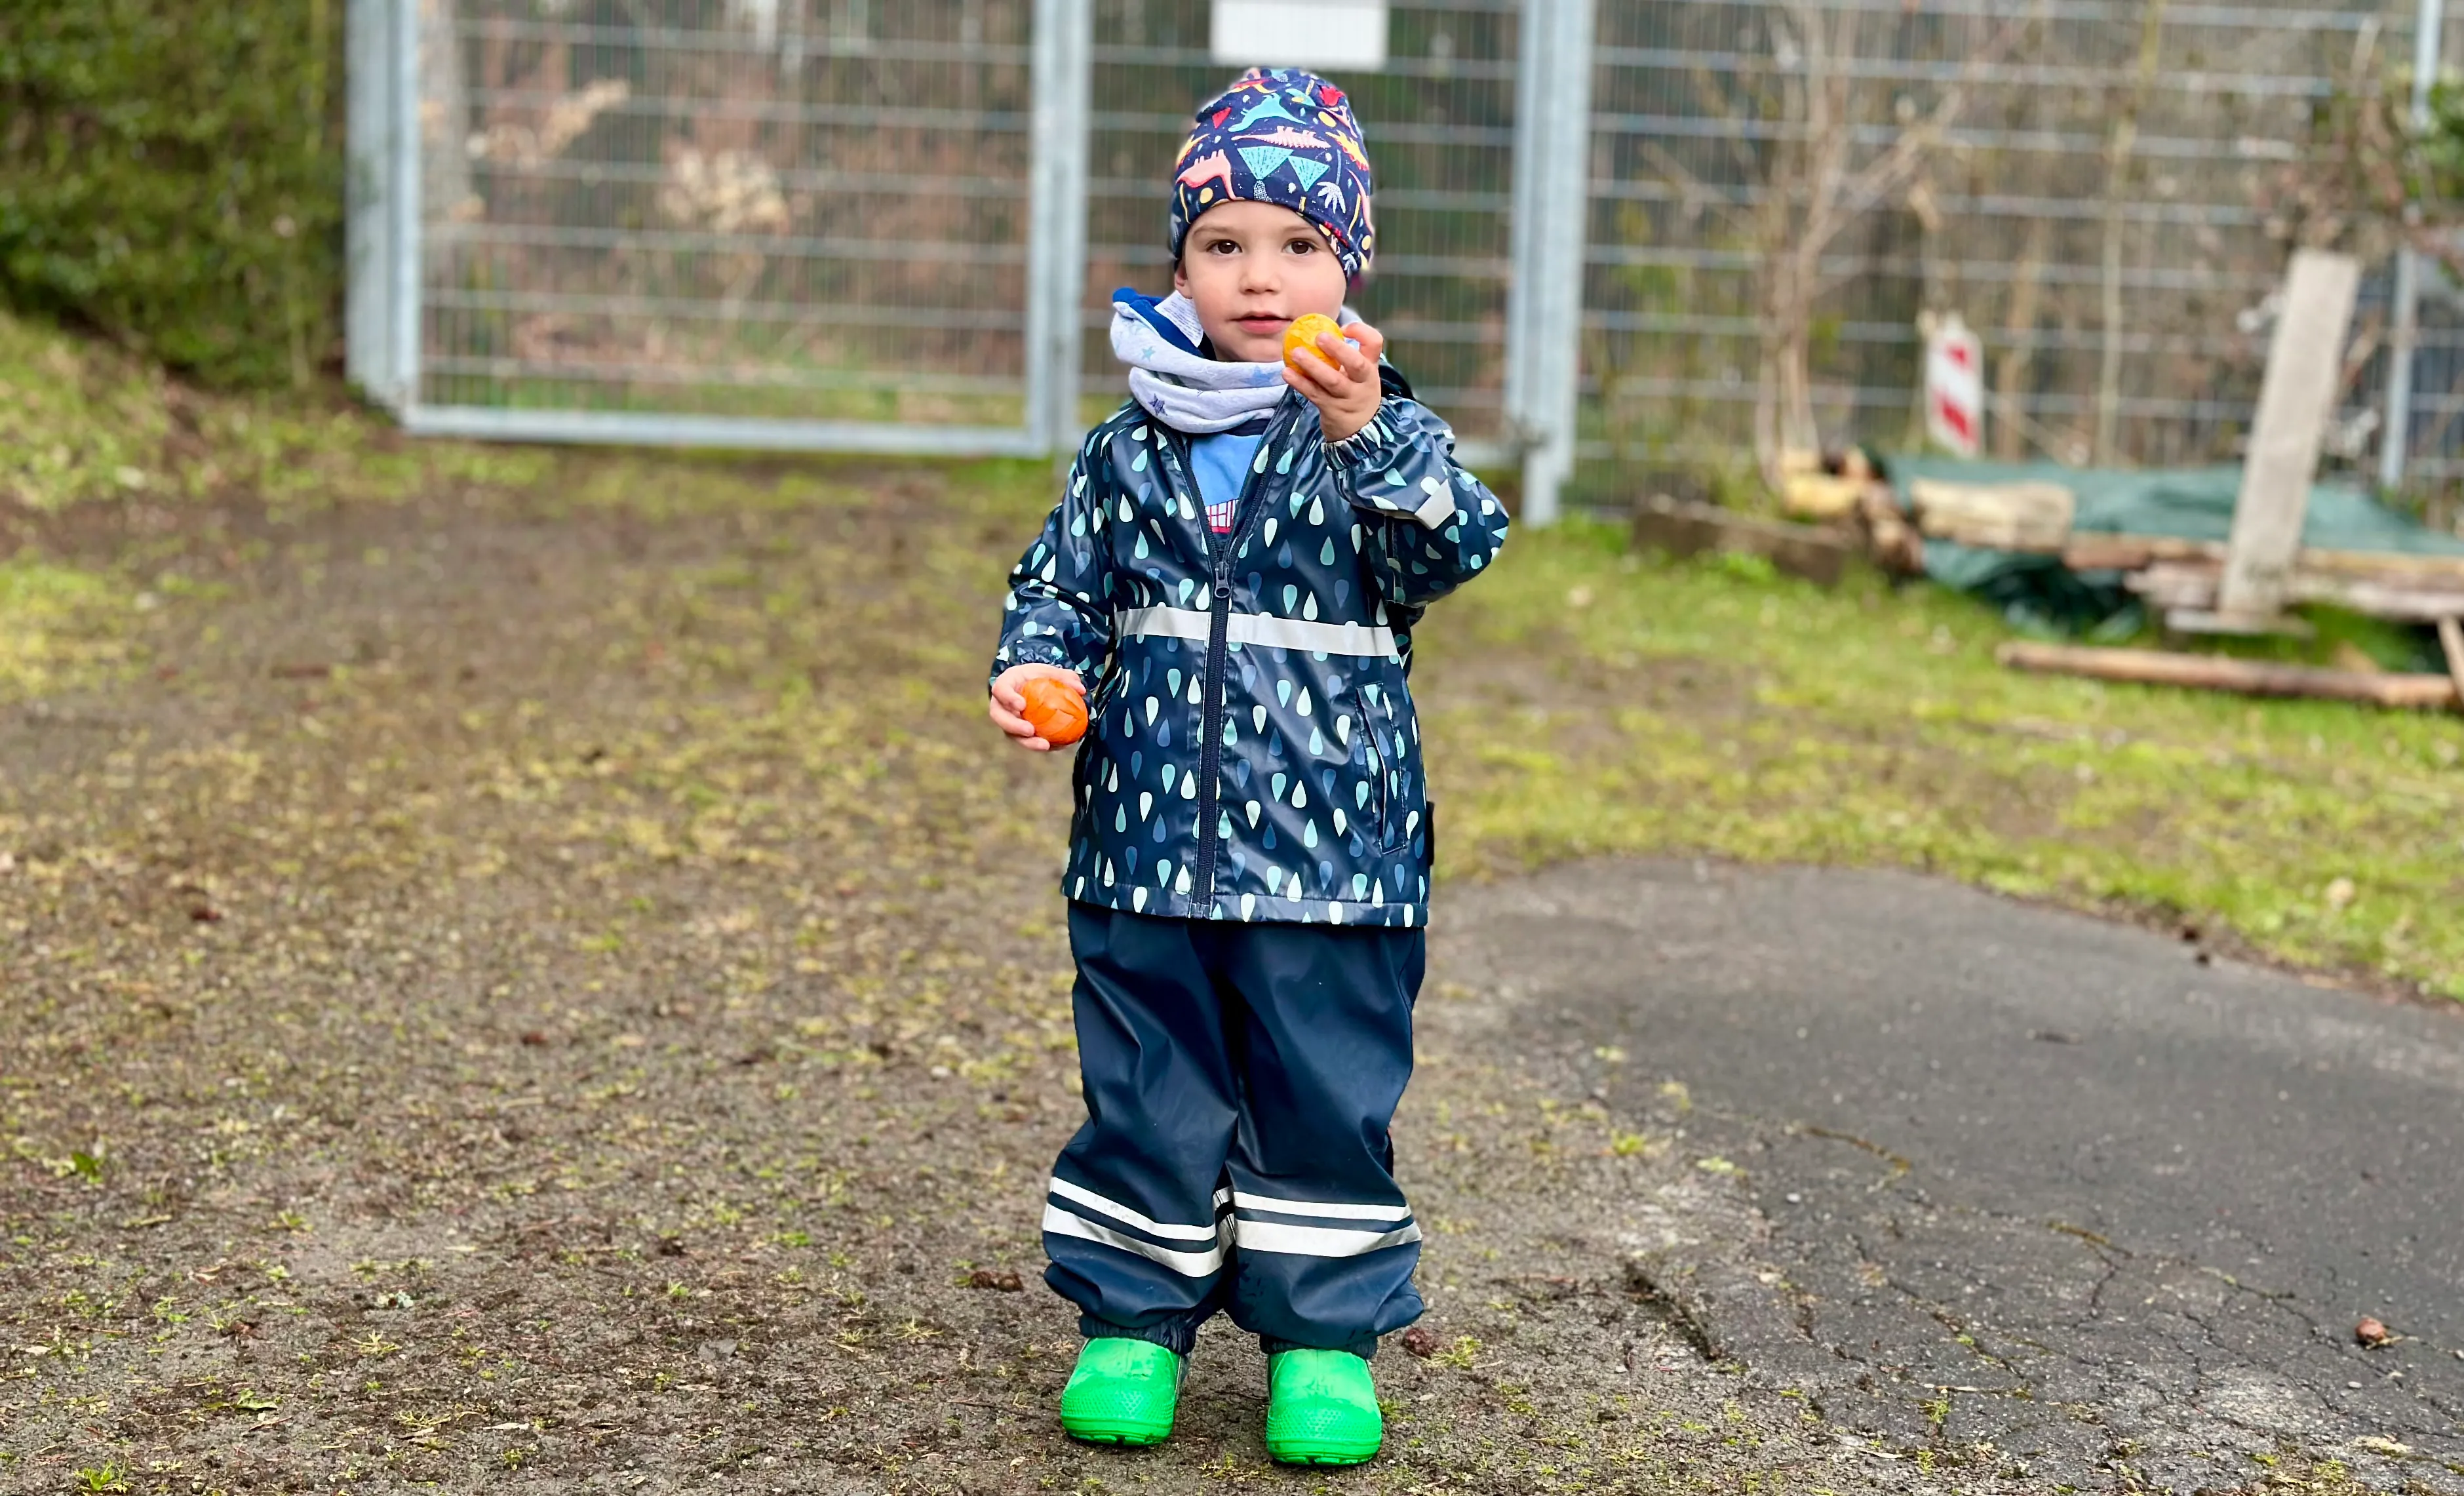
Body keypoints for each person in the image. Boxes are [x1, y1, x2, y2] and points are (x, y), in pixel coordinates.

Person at [984, 66, 1509, 1466]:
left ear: (1348, 269)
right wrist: (1036, 671)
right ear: (1180, 266)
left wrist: (1362, 430)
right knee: (1146, 1087)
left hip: (1333, 858)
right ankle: (1129, 1321)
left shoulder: (1377, 435)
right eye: (1222, 244)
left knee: (1321, 1095)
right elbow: (1060, 590)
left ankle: (1323, 1342)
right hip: (1144, 846)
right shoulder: (1124, 450)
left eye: (1298, 245)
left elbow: (1452, 548)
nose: (1259, 277)